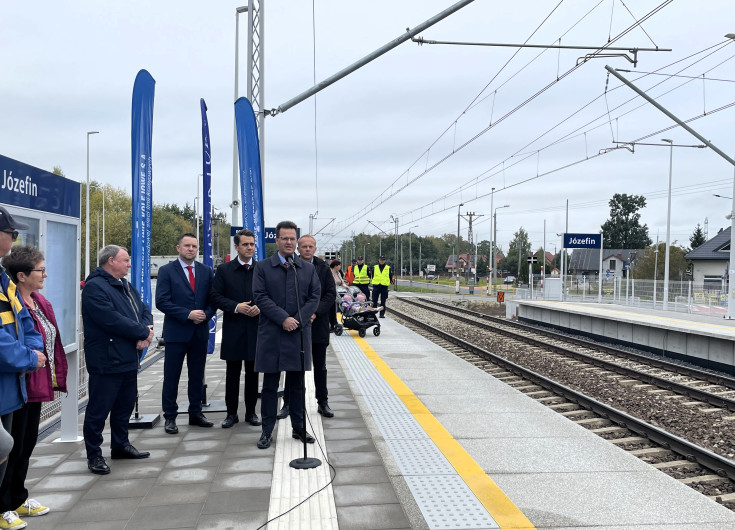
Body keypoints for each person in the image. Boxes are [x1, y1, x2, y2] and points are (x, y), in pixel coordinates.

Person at [0, 246, 68, 522]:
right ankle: (3, 505)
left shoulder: (39, 302)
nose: (45, 274)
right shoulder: (10, 301)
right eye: (40, 270)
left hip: (38, 382)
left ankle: (18, 498)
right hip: (19, 384)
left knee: (26, 445)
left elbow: (38, 337)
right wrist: (29, 357)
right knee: (9, 448)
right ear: (22, 275)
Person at [82, 245, 153, 476]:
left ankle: (120, 445)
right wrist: (142, 333)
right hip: (107, 359)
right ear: (111, 261)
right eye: (125, 260)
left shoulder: (125, 285)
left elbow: (143, 310)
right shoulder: (95, 287)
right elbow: (111, 320)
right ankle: (94, 455)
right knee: (99, 410)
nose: (129, 264)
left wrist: (147, 329)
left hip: (127, 357)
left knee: (124, 406)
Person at [252, 221, 320, 449]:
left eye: (293, 239)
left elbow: (314, 297)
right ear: (277, 240)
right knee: (270, 386)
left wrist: (298, 320)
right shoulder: (262, 267)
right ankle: (266, 431)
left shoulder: (307, 269)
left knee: (297, 385)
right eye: (285, 238)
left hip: (298, 335)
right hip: (272, 333)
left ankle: (299, 428)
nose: (289, 242)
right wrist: (283, 318)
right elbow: (260, 297)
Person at [0, 208, 44, 530]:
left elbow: (26, 324)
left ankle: (11, 502)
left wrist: (34, 351)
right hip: (8, 380)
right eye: (12, 234)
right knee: (4, 449)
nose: (15, 239)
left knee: (12, 448)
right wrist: (30, 358)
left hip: (11, 387)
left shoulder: (4, 282)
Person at [156, 233, 216, 435]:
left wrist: (205, 315)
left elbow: (212, 299)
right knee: (171, 376)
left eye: (194, 246)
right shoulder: (166, 271)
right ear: (178, 248)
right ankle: (170, 417)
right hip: (176, 333)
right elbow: (162, 302)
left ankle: (195, 413)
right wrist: (187, 314)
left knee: (197, 376)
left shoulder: (206, 271)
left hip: (199, 332)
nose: (191, 249)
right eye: (187, 246)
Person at [278, 235, 336, 420]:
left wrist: (315, 312)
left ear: (315, 247)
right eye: (304, 246)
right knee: (293, 366)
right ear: (298, 248)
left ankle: (323, 401)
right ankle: (288, 403)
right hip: (296, 324)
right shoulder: (289, 265)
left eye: (311, 246)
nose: (307, 249)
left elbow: (329, 295)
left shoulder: (323, 268)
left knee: (320, 366)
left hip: (317, 324)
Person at [209, 229, 261, 429]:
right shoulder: (224, 270)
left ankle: (251, 412)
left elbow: (271, 294)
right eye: (246, 244)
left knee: (253, 373)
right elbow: (215, 296)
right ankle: (231, 414)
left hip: (256, 328)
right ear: (237, 247)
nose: (250, 248)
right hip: (234, 327)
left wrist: (260, 306)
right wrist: (236, 307)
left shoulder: (261, 269)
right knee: (232, 373)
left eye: (252, 244)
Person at [328, 260, 344, 331]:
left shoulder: (338, 273)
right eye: (339, 265)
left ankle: (334, 323)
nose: (340, 266)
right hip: (331, 292)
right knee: (331, 309)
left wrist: (345, 285)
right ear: (336, 266)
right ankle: (331, 325)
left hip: (338, 292)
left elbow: (342, 281)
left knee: (335, 309)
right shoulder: (329, 272)